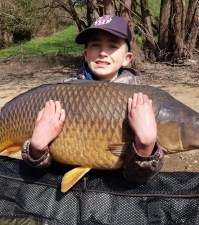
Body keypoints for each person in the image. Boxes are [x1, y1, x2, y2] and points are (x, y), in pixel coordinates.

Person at [21, 15, 164, 184]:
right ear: (86, 54)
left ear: (127, 58)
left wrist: (146, 147)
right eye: (96, 45)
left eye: (112, 46)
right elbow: (39, 167)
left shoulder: (143, 102)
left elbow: (137, 178)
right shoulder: (61, 95)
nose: (103, 52)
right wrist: (36, 149)